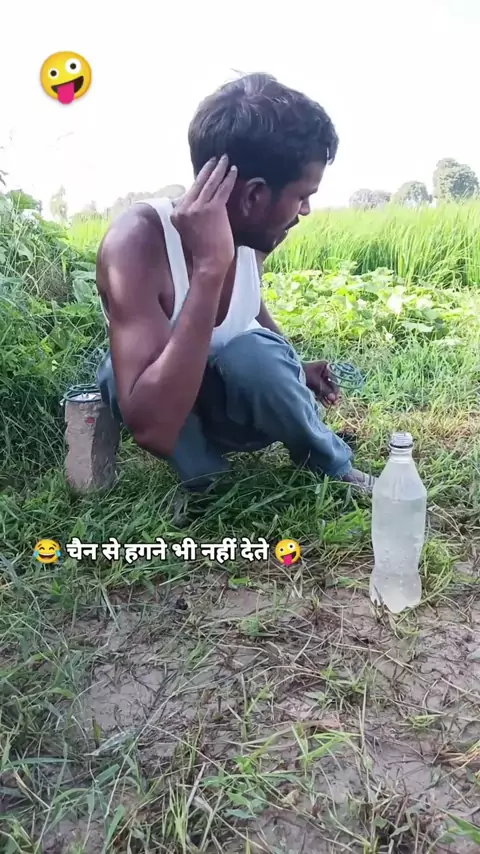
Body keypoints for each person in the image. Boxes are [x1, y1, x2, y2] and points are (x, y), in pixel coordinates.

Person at [96, 73, 375, 494]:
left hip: (242, 415)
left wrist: (294, 367)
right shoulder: (136, 244)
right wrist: (210, 268)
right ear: (253, 197)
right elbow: (153, 427)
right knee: (117, 375)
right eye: (303, 196)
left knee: (254, 354)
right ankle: (207, 482)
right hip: (172, 418)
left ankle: (330, 462)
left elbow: (250, 306)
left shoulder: (255, 233)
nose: (305, 210)